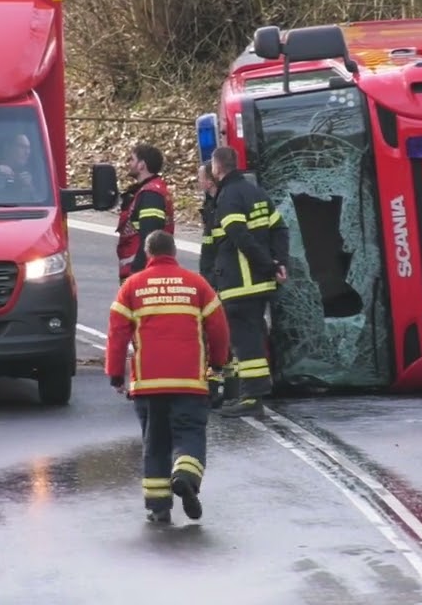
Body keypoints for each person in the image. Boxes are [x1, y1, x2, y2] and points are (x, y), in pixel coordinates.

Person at [105, 230, 231, 525]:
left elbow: (117, 333)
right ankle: (185, 475)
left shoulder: (132, 287)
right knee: (190, 434)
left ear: (148, 254)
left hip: (148, 384)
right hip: (190, 382)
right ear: (174, 252)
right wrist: (217, 365)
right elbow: (219, 328)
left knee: (155, 443)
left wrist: (115, 374)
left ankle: (158, 506)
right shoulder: (196, 284)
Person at [207, 146, 289, 417]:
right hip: (260, 282)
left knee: (245, 340)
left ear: (218, 168)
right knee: (254, 335)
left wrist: (268, 263)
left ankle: (252, 399)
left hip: (241, 283)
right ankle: (253, 393)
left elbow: (240, 236)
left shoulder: (229, 196)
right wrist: (280, 262)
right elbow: (280, 228)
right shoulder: (257, 192)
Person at [115, 143, 175, 283]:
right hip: (140, 271)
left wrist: (138, 270)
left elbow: (151, 236)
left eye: (132, 159)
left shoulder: (151, 195)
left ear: (142, 165)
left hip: (142, 273)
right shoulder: (146, 191)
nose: (129, 163)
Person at [197, 160, 218, 284]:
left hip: (218, 274)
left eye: (200, 178)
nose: (198, 181)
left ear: (209, 182)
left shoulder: (219, 206)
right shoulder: (210, 205)